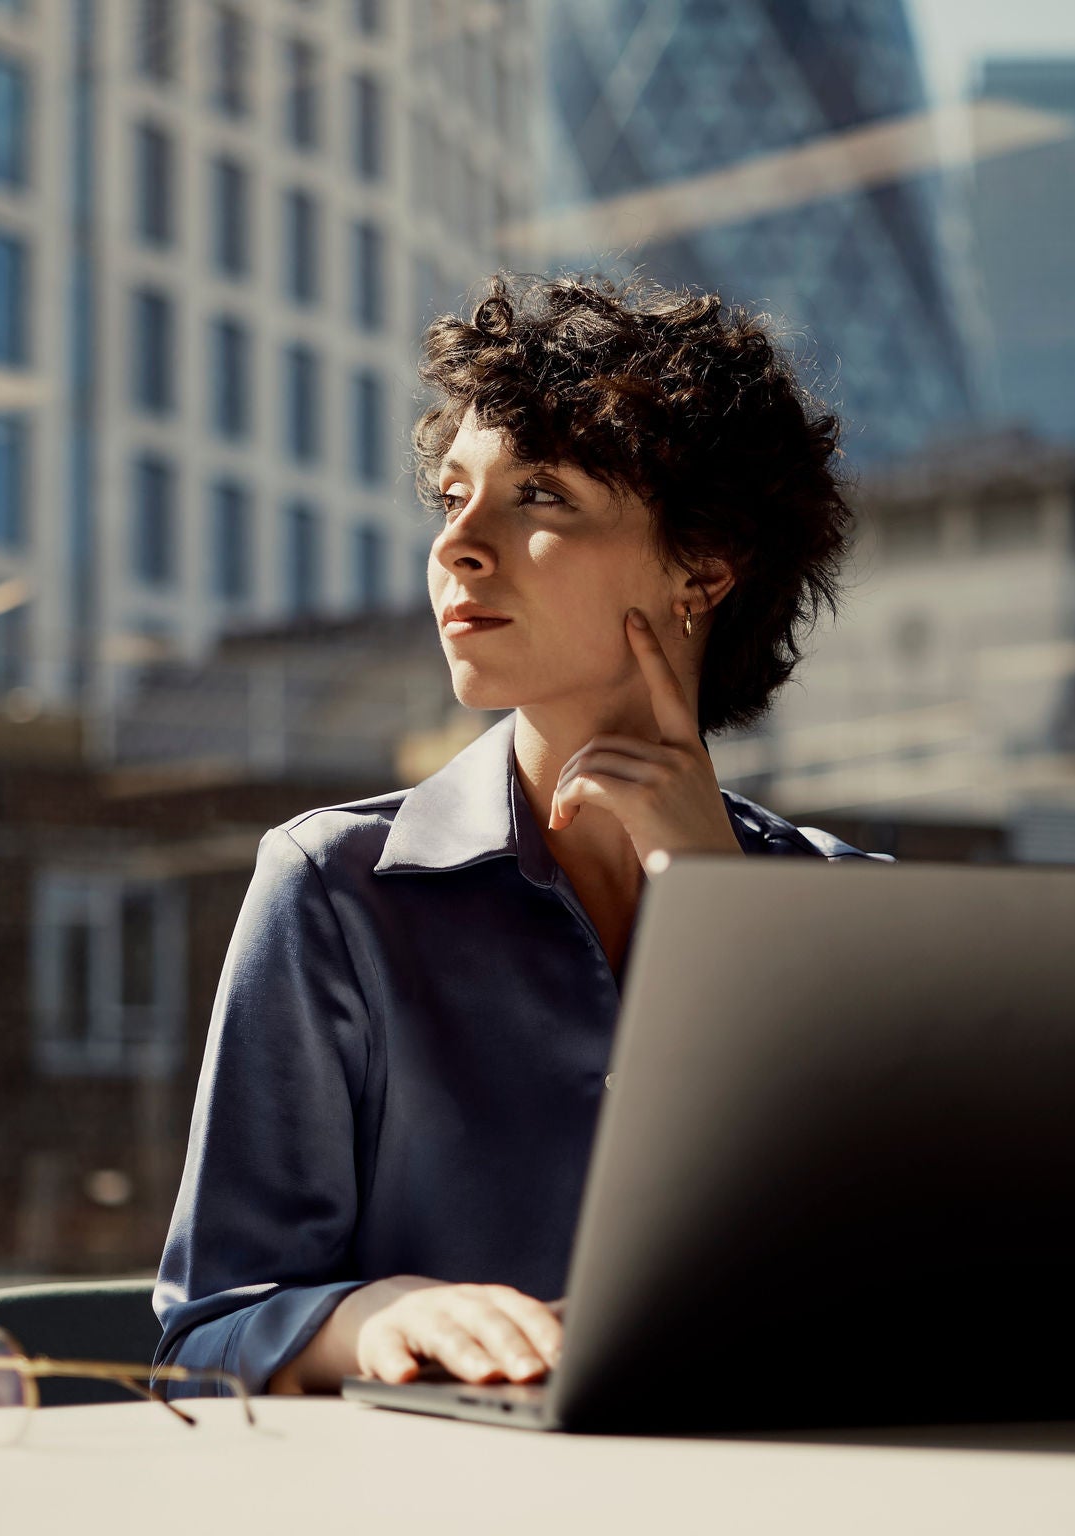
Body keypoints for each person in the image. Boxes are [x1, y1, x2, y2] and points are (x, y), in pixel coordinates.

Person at [152, 271, 892, 1397]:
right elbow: (204, 1333)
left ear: (703, 568)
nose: (460, 545)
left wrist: (714, 905)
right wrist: (378, 1313)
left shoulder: (848, 913)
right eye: (452, 497)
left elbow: (891, 1294)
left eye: (537, 495)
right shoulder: (333, 890)